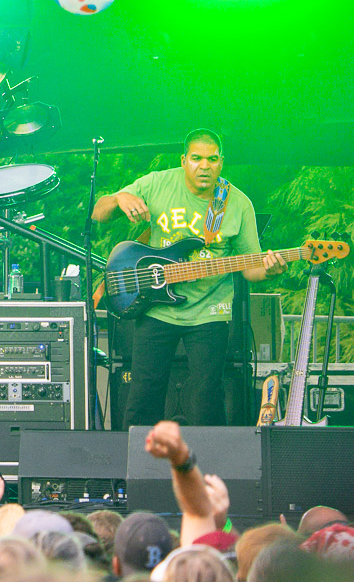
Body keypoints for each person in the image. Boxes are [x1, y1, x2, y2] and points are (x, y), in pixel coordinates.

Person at [93, 128, 285, 426]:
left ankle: (208, 469)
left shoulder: (237, 204)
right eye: (196, 158)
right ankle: (139, 469)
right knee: (144, 393)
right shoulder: (157, 183)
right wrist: (119, 198)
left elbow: (251, 267)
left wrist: (271, 270)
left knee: (207, 397)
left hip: (210, 312)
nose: (204, 166)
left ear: (222, 162)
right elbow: (98, 213)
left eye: (212, 159)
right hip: (156, 306)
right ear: (184, 160)